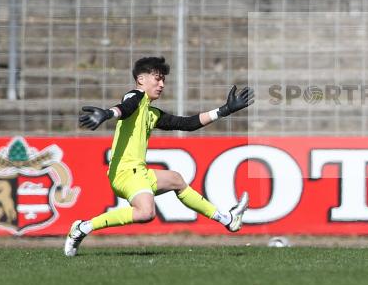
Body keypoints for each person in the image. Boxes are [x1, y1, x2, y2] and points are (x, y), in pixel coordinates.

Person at [64, 56, 255, 257]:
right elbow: (125, 107)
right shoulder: (135, 96)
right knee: (146, 213)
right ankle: (83, 227)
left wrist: (224, 110)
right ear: (141, 80)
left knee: (176, 180)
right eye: (157, 79)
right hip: (126, 173)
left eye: (163, 80)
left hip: (139, 172)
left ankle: (228, 219)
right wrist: (107, 113)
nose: (162, 84)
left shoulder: (151, 112)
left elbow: (187, 124)